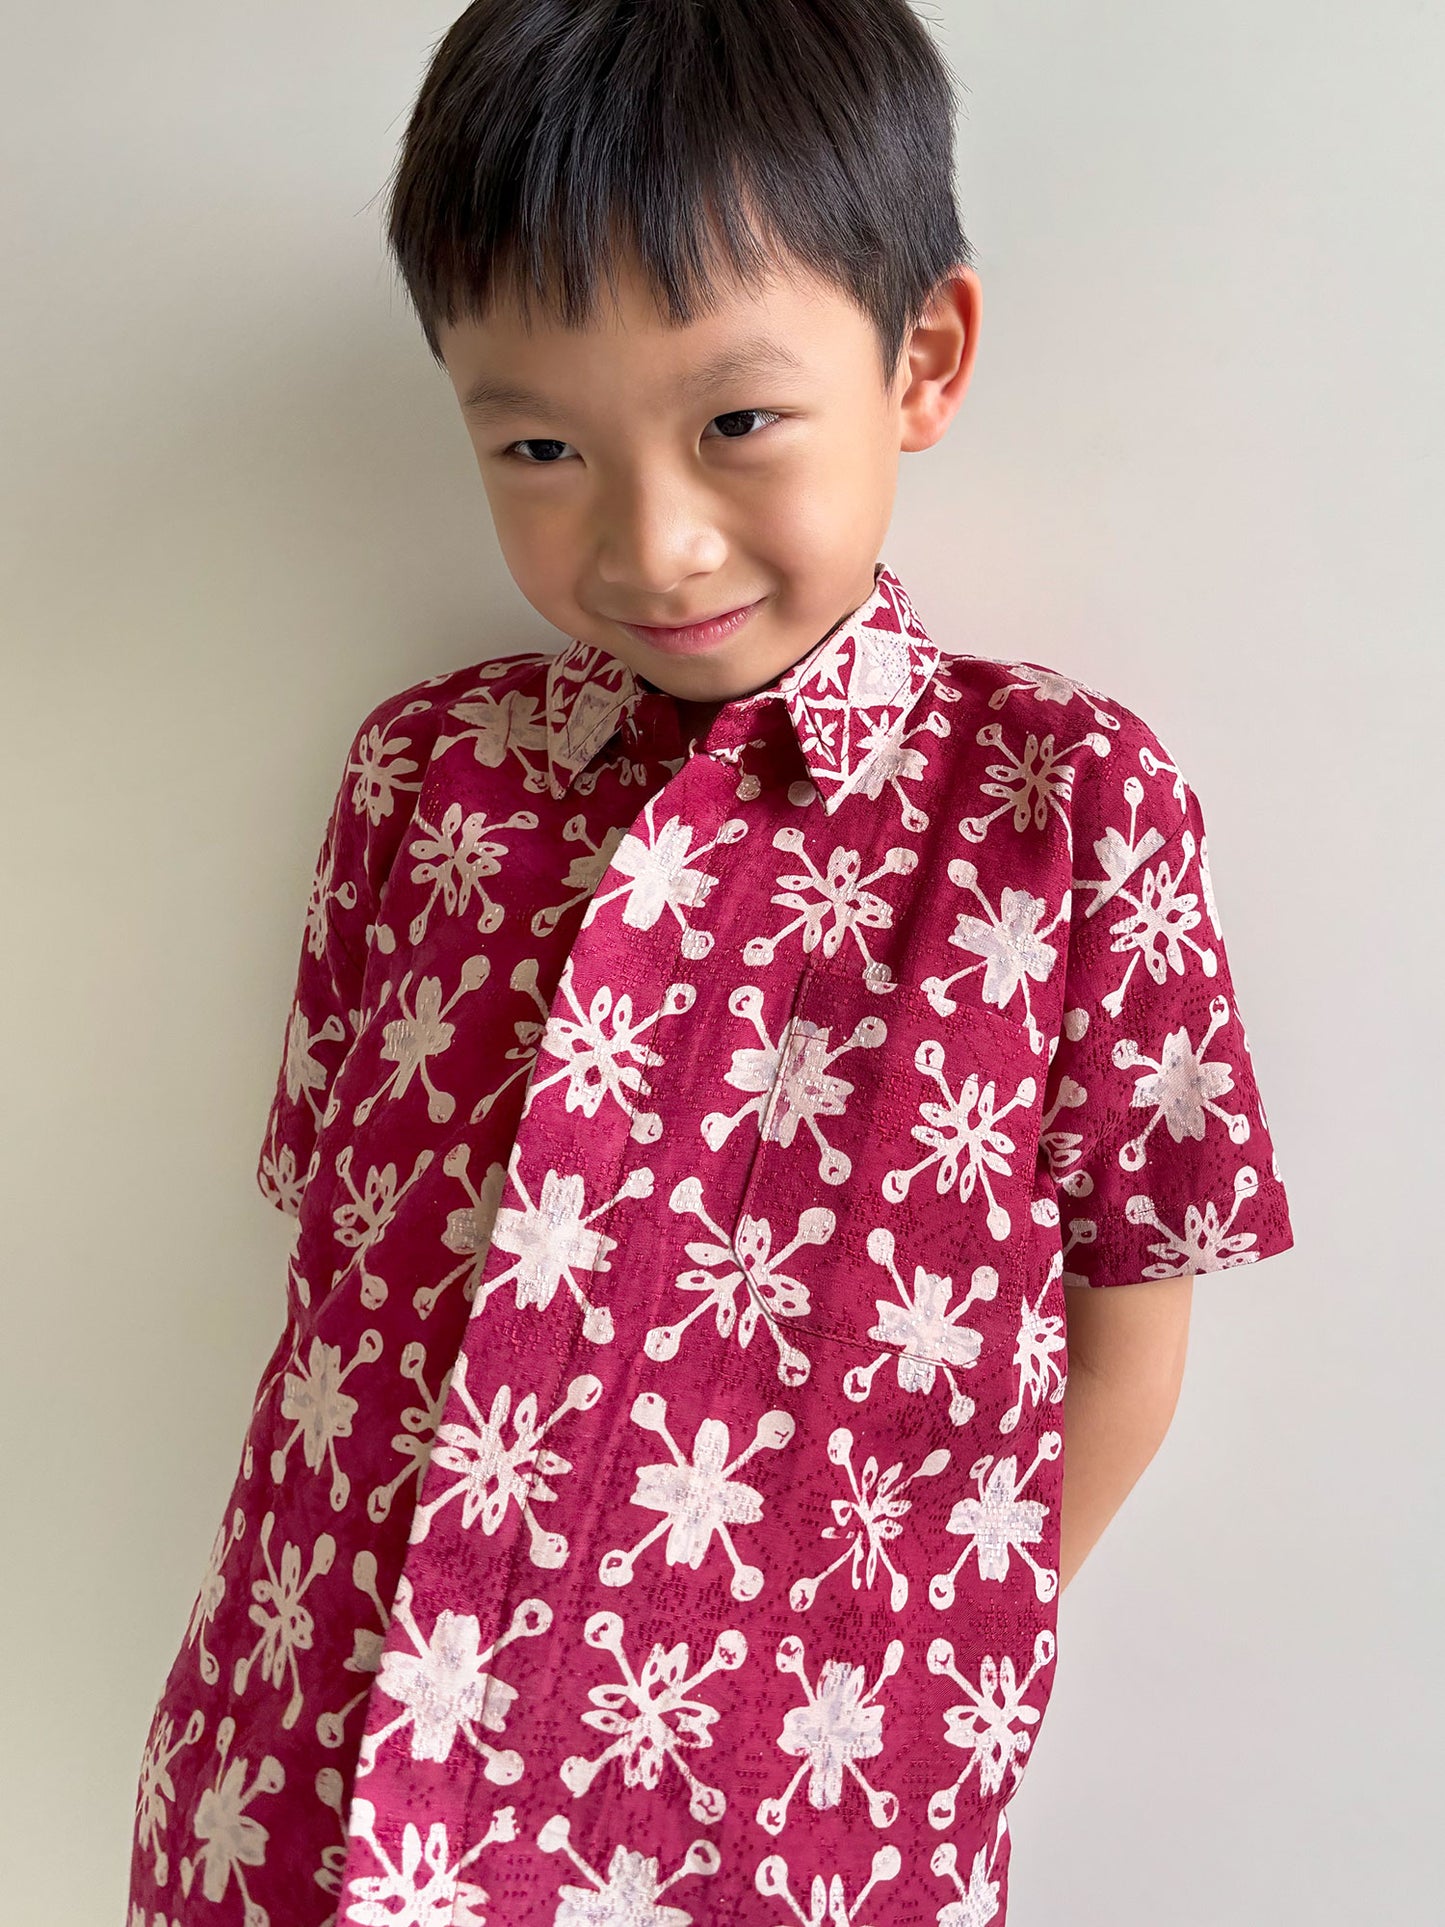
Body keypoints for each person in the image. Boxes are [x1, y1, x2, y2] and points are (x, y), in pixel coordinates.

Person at [128, 4, 1295, 1922]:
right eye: (535, 443)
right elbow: (336, 1266)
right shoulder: (430, 781)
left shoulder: (1058, 808)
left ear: (920, 360)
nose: (648, 540)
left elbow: (1133, 1322)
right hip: (308, 1775)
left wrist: (884, 1677)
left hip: (777, 1819)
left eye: (735, 420)